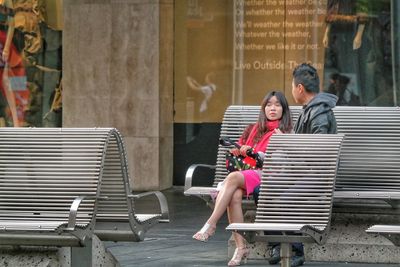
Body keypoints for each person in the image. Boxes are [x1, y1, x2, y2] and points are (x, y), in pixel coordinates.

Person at [192, 91, 293, 266]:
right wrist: (239, 149)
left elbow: (286, 161)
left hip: (269, 175)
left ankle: (211, 223)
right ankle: (241, 248)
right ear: (264, 108)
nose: (273, 108)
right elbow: (238, 153)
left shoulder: (286, 131)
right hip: (247, 174)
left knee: (232, 179)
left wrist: (278, 144)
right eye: (269, 105)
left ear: (284, 109)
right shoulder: (252, 129)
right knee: (235, 195)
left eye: (277, 105)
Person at [264, 63, 338, 267]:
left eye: (292, 86)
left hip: (317, 177)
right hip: (301, 173)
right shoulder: (308, 110)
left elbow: (319, 153)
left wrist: (287, 143)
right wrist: (287, 142)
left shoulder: (320, 113)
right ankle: (277, 244)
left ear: (300, 89)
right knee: (262, 190)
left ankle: (295, 250)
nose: (291, 90)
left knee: (283, 200)